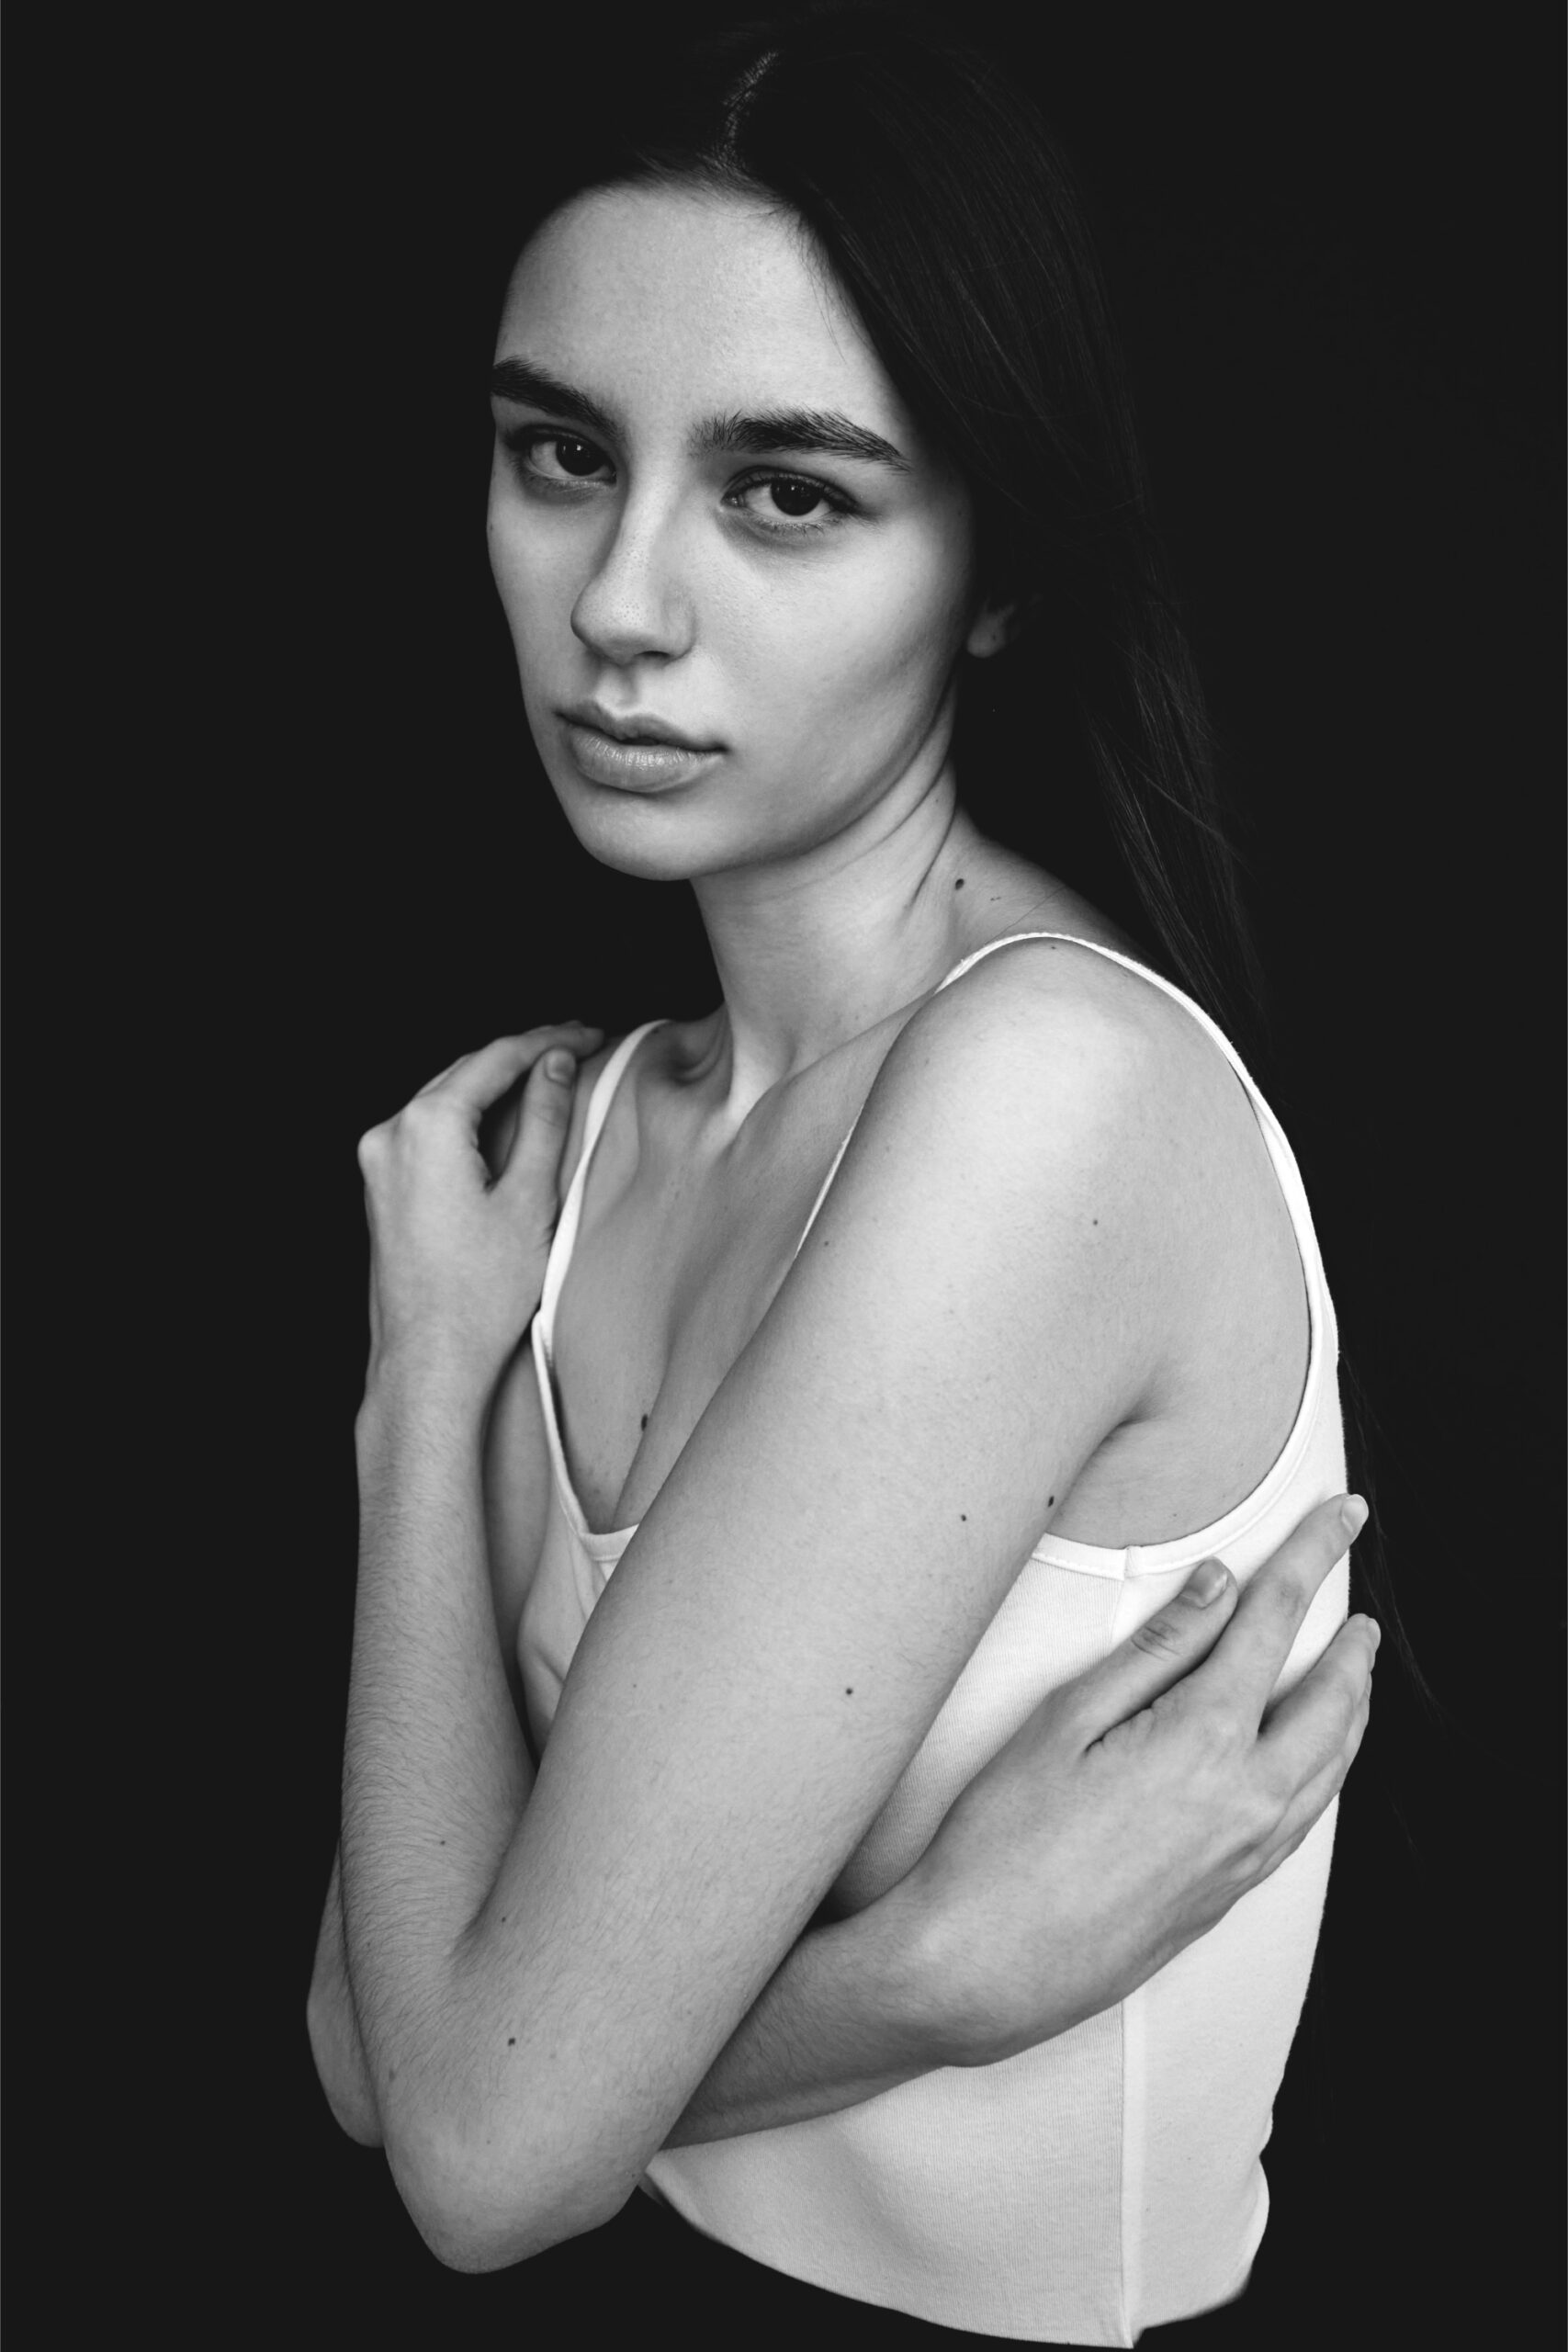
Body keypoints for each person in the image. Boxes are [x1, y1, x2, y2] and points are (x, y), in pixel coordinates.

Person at [308, 7, 1382, 2340]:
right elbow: (373, 2054)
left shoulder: (1046, 1098)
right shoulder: (584, 1142)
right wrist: (423, 1390)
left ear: (995, 567)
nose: (618, 601)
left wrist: (544, 2066)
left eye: (784, 491)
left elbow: (476, 2144)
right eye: (558, 454)